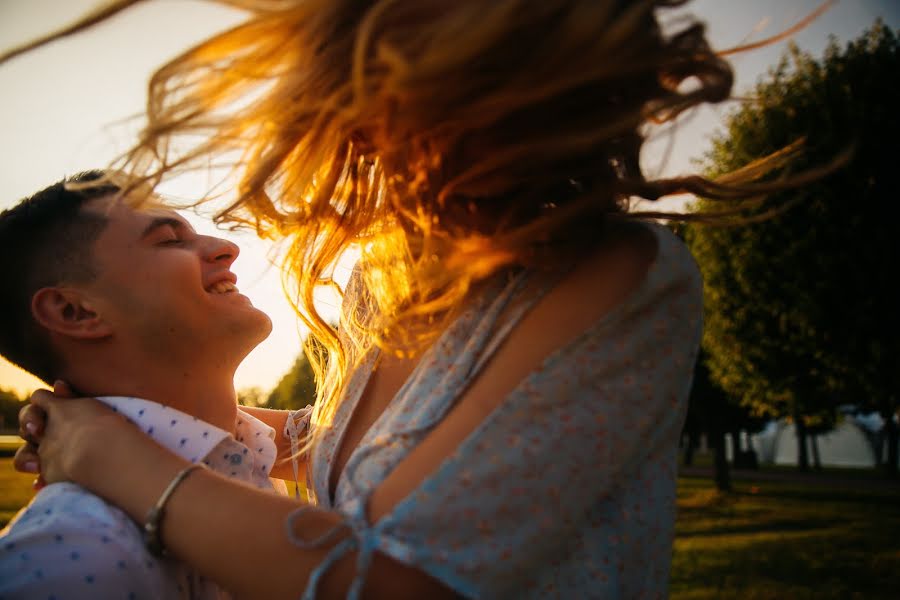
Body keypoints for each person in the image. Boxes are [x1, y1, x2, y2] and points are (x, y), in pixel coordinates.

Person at [7, 0, 798, 597]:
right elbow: (368, 448)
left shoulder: (616, 275)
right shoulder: (384, 279)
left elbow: (399, 578)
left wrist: (122, 455)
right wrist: (132, 425)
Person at [0, 171, 305, 598]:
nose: (227, 249)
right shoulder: (69, 561)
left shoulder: (247, 455)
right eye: (169, 240)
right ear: (73, 311)